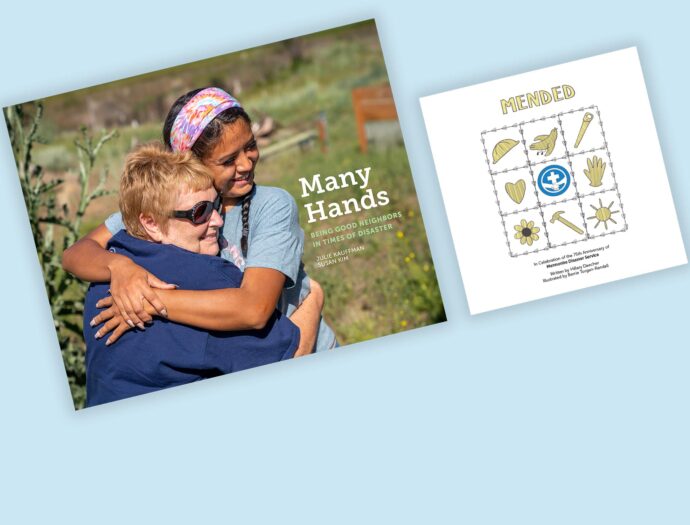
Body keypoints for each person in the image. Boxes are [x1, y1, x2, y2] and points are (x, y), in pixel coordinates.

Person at [63, 87, 336, 353]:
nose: (246, 164)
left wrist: (148, 301)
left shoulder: (272, 206)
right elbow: (76, 254)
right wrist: (119, 267)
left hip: (301, 349)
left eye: (250, 146)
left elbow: (254, 310)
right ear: (191, 163)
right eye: (228, 160)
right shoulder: (164, 209)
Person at [84, 144, 299, 406]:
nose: (218, 222)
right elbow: (294, 357)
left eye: (216, 206)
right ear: (150, 223)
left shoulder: (105, 274)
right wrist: (313, 301)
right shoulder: (208, 280)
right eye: (200, 212)